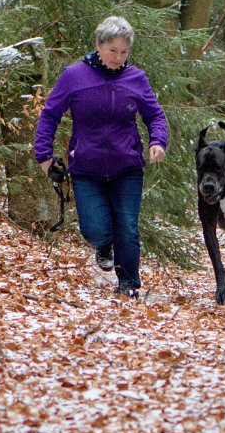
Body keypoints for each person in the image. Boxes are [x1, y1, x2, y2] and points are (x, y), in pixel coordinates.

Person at [34, 15, 168, 299]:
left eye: (124, 52)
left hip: (127, 166)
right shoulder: (74, 76)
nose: (118, 58)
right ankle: (103, 245)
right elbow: (49, 115)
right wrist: (44, 157)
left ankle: (129, 285)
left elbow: (155, 114)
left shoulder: (137, 79)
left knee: (128, 226)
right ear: (98, 45)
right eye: (112, 51)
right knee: (95, 229)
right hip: (87, 168)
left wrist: (158, 141)